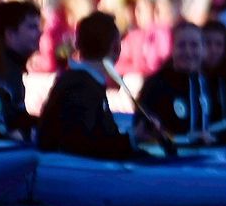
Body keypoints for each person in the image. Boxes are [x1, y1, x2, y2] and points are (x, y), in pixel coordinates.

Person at [38, 11, 160, 158]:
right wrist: (133, 137)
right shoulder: (82, 87)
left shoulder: (79, 81)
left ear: (77, 44)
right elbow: (84, 146)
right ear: (116, 47)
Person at [137, 22, 215, 141]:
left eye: (194, 45)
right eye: (181, 45)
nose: (188, 52)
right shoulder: (155, 85)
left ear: (203, 49)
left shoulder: (212, 85)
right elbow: (142, 133)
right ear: (172, 48)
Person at [0, 0, 41, 139]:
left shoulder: (12, 68)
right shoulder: (0, 73)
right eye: (32, 27)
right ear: (10, 34)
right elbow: (6, 125)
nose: (40, 33)